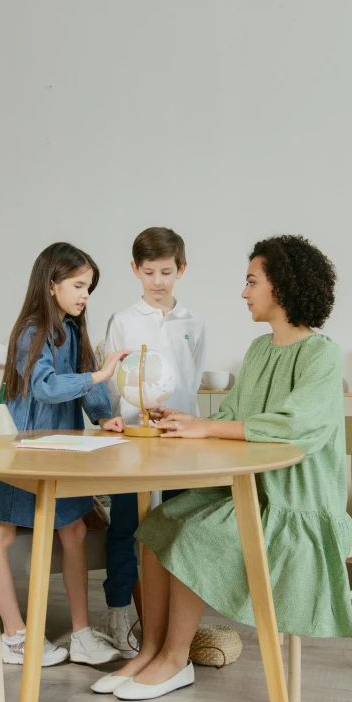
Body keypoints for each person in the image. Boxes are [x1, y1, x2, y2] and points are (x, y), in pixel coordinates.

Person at [91, 234, 352, 699]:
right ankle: (150, 651)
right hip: (251, 490)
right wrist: (187, 422)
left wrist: (209, 429)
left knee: (194, 536)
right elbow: (231, 416)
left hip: (297, 503)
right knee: (155, 527)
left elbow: (297, 426)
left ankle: (177, 661)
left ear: (282, 288)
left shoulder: (322, 354)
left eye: (252, 281)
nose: (243, 292)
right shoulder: (258, 351)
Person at [0, 242, 129, 667]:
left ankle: (81, 634)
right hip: (19, 453)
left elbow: (86, 381)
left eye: (89, 288)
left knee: (75, 533)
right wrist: (99, 374)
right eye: (79, 285)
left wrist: (102, 418)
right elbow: (45, 386)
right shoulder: (31, 330)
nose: (84, 295)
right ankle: (14, 635)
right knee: (0, 537)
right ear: (52, 283)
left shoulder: (74, 329)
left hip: (62, 453)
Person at [101, 227, 206, 657]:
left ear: (181, 269)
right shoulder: (122, 322)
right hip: (132, 440)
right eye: (149, 273)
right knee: (126, 524)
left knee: (180, 523)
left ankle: (170, 621)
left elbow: (192, 381)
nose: (158, 281)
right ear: (135, 271)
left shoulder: (193, 323)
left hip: (179, 439)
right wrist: (115, 419)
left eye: (166, 272)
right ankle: (118, 609)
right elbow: (110, 384)